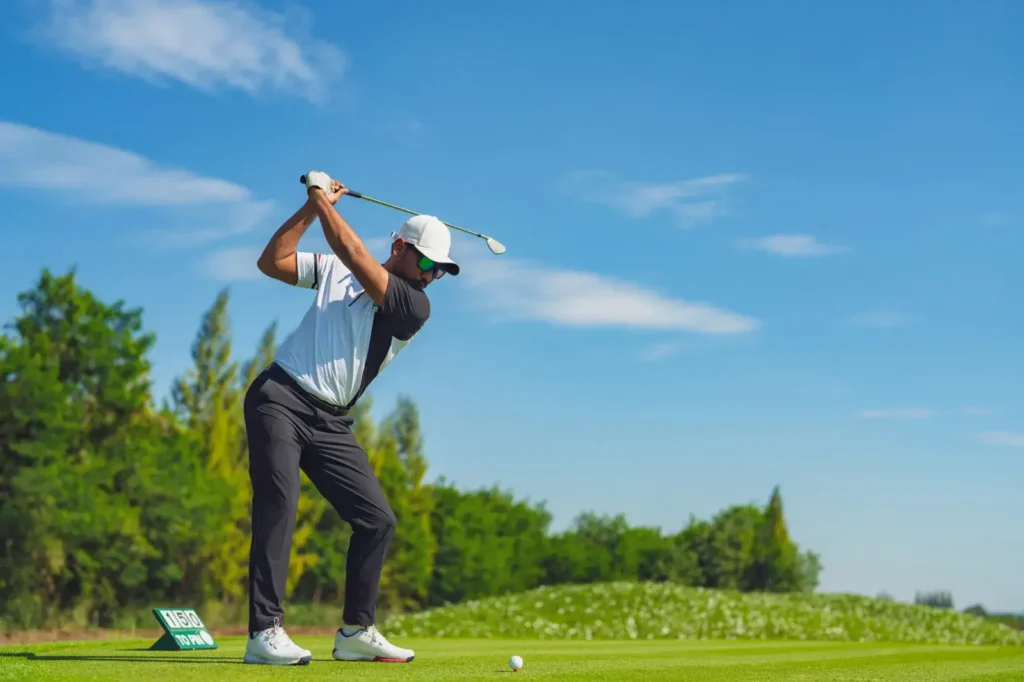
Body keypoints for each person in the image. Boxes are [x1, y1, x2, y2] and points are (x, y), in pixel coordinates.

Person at [241, 170, 459, 666]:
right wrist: (310, 208)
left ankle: (356, 630)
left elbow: (356, 255)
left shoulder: (413, 306)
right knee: (280, 505)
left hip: (330, 422)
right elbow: (271, 261)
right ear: (400, 246)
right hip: (279, 398)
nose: (431, 275)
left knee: (377, 520)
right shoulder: (335, 272)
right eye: (427, 261)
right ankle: (263, 632)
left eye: (441, 269)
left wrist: (321, 198)